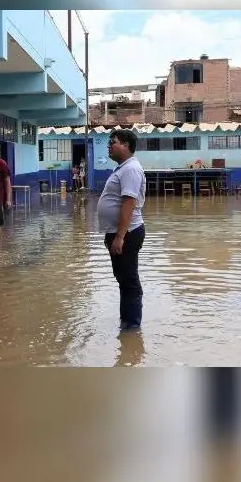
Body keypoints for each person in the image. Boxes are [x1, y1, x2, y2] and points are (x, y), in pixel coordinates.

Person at [98, 129, 147, 331]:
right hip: (119, 233)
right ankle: (126, 323)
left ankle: (132, 329)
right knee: (123, 280)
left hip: (127, 234)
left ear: (126, 145)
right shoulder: (122, 168)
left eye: (113, 141)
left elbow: (129, 202)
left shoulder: (131, 169)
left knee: (129, 281)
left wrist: (119, 236)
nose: (109, 145)